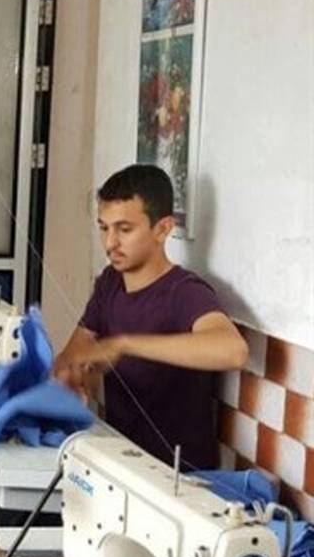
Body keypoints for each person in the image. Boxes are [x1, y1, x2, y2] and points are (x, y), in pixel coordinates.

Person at [53, 164, 248, 469]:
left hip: (180, 478)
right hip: (125, 462)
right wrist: (75, 377)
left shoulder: (185, 292)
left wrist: (123, 345)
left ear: (163, 229)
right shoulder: (110, 283)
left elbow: (234, 351)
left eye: (124, 229)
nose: (110, 243)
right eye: (104, 228)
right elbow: (72, 358)